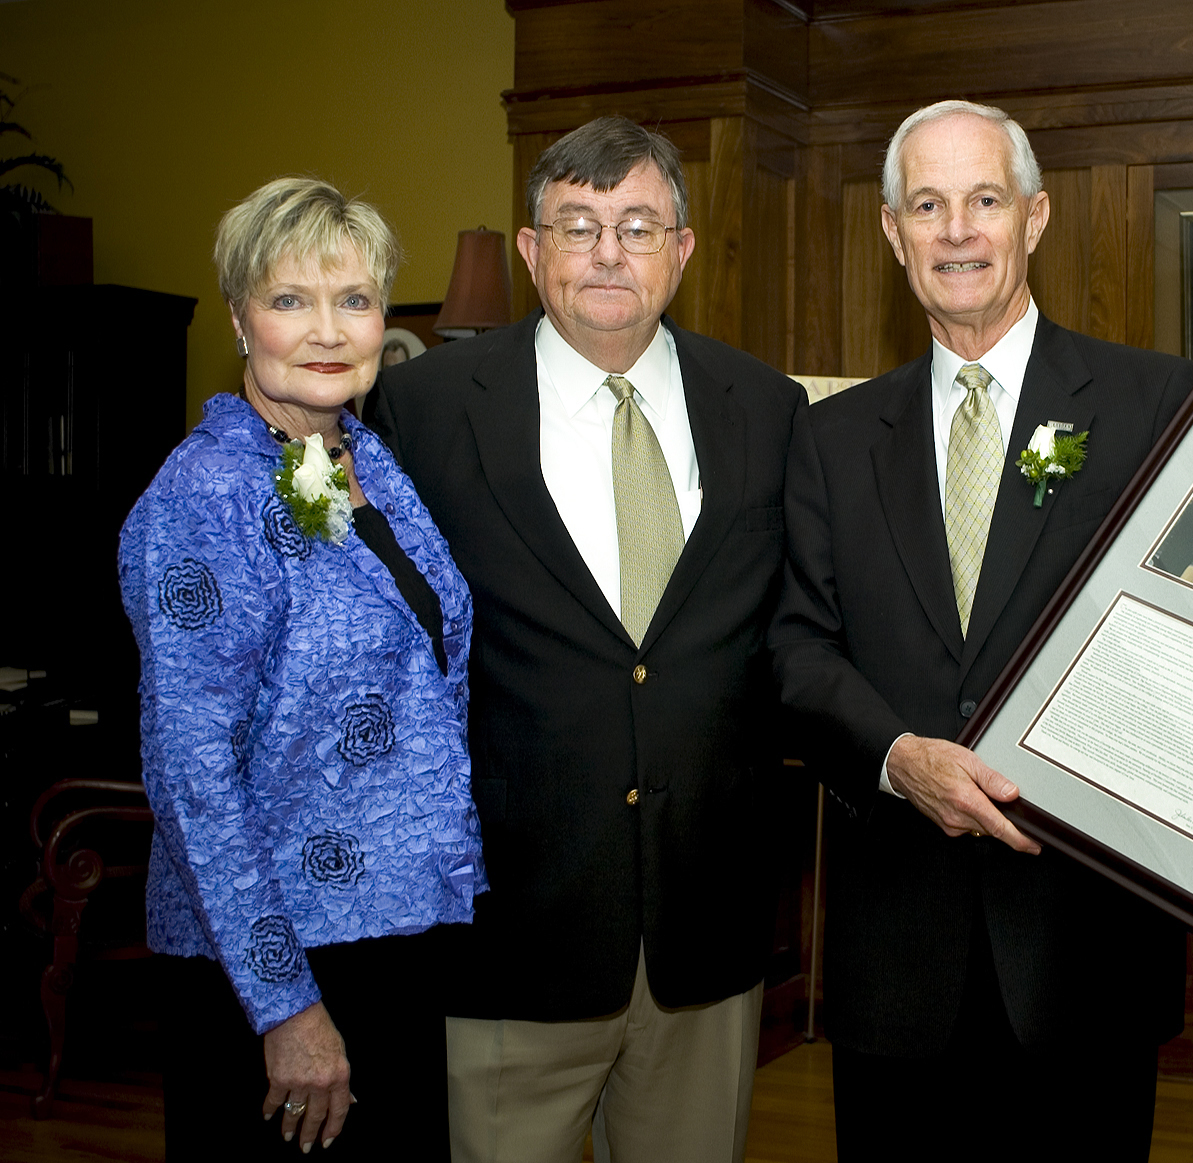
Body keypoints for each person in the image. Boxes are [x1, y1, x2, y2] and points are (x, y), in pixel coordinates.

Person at [771, 99, 1193, 1161]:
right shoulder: (828, 437)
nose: (957, 230)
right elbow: (794, 651)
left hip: (1082, 954)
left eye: (983, 200)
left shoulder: (1160, 405)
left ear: (1034, 218)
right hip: (895, 959)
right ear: (892, 233)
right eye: (928, 204)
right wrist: (899, 757)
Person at [365, 117, 808, 1163]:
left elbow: (797, 634)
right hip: (506, 935)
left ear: (682, 250)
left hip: (705, 936)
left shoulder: (767, 407)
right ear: (531, 250)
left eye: (638, 224)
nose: (609, 251)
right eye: (578, 225)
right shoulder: (415, 410)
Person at [118, 178, 486, 1160]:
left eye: (354, 299)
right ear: (241, 317)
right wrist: (285, 1006)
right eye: (291, 300)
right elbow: (192, 778)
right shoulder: (204, 496)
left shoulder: (349, 458)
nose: (327, 329)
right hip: (279, 968)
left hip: (393, 944)